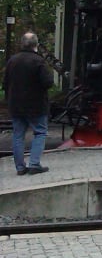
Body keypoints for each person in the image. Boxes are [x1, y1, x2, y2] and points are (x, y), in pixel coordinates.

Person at [3, 32, 55, 175]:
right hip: (36, 106)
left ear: (22, 44)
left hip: (16, 105)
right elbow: (48, 82)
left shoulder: (12, 61)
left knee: (18, 135)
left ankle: (20, 168)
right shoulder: (39, 61)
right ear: (36, 45)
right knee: (40, 132)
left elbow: (5, 83)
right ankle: (34, 164)